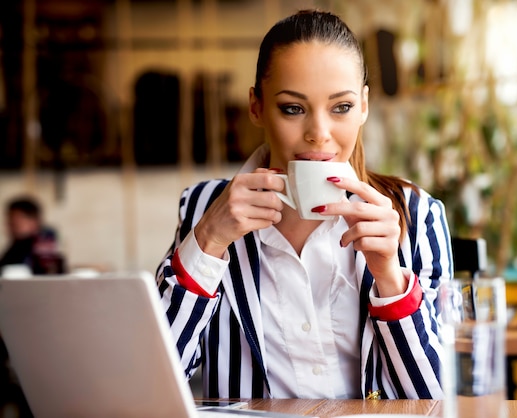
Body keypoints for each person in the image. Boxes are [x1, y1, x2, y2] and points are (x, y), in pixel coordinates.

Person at [156, 9, 453, 400]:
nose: (318, 134)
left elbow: (437, 398)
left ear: (363, 106)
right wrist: (209, 240)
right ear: (257, 107)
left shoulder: (415, 214)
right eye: (293, 108)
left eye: (341, 107)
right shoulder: (203, 210)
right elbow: (156, 382)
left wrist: (391, 280)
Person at [0, 195, 64, 276]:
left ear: (34, 222)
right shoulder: (16, 247)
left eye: (16, 223)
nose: (10, 227)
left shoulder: (44, 246)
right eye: (10, 222)